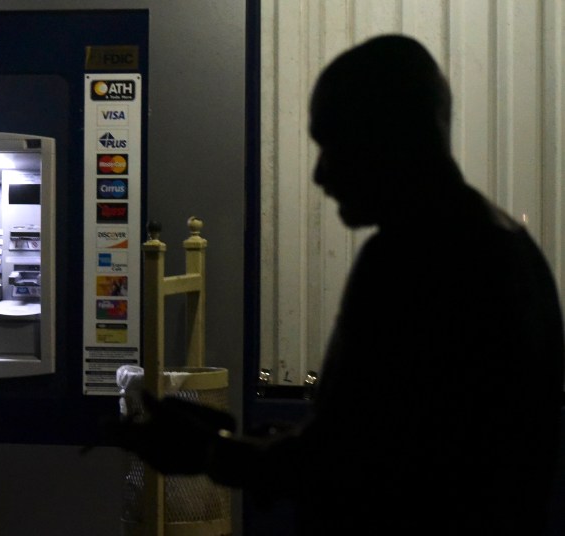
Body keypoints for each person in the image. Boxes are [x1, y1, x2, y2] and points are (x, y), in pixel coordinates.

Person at [117, 35, 564, 535]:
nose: (319, 173)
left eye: (333, 143)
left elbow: (349, 469)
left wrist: (209, 452)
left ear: (392, 136)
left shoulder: (408, 262)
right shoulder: (510, 246)